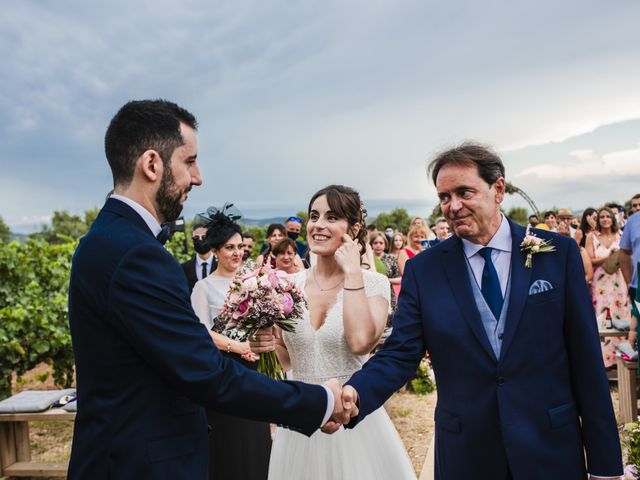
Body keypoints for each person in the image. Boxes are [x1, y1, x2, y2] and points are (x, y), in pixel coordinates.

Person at [67, 99, 351, 480]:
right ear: (152, 164)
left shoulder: (105, 240)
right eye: (189, 161)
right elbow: (206, 373)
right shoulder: (136, 254)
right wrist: (320, 400)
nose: (197, 177)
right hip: (139, 465)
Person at [340, 143, 622, 479]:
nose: (453, 206)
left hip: (550, 448)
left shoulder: (557, 254)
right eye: (444, 197)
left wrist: (605, 465)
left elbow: (586, 361)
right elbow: (400, 354)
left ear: (498, 189)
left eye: (464, 192)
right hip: (467, 454)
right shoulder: (425, 270)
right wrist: (355, 393)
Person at [252, 185, 416, 480]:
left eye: (331, 217)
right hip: (300, 419)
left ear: (353, 229)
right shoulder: (289, 285)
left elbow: (360, 342)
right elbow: (287, 361)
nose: (318, 225)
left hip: (354, 419)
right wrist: (266, 341)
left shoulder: (375, 284)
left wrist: (353, 272)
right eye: (314, 216)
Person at [190, 209, 270, 480]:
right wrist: (237, 347)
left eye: (239, 247)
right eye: (229, 248)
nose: (237, 253)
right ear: (215, 251)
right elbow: (199, 333)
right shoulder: (204, 287)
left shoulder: (253, 282)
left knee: (256, 439)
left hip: (255, 370)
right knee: (230, 443)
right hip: (224, 373)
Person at [587, 207, 630, 367]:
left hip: (619, 280)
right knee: (602, 318)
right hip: (601, 282)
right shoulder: (592, 237)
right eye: (602, 217)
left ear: (613, 219)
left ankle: (621, 358)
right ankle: (604, 361)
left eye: (608, 216)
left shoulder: (621, 235)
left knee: (620, 315)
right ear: (598, 220)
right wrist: (610, 255)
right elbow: (589, 259)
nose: (605, 219)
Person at [369, 231, 400, 321]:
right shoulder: (367, 258)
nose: (378, 245)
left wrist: (385, 279)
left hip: (388, 294)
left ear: (385, 245)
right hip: (371, 294)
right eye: (375, 243)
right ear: (371, 244)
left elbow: (399, 279)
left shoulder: (391, 259)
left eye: (381, 243)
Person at [181, 225, 217, 293]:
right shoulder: (184, 268)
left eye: (204, 237)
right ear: (192, 242)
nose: (200, 240)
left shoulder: (222, 264)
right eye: (196, 238)